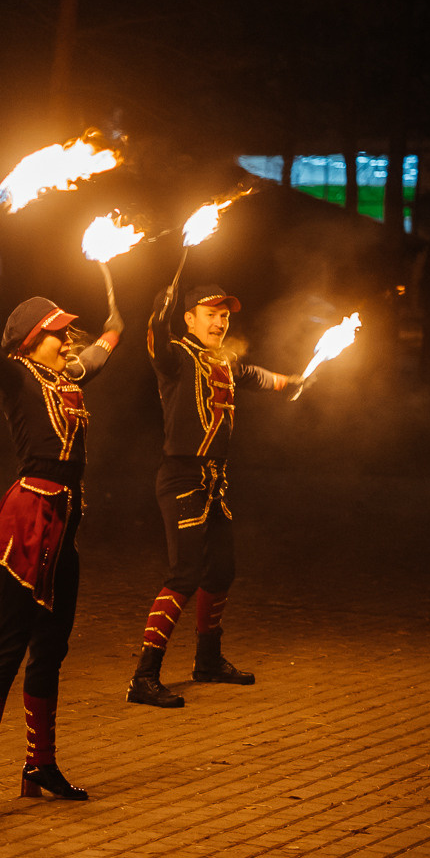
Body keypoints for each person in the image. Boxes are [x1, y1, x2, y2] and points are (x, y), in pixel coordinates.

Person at [0, 279, 124, 828]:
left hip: (65, 526)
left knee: (52, 649)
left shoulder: (68, 376)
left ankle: (39, 767)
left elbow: (107, 342)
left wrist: (121, 310)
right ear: (29, 342)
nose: (69, 340)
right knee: (4, 651)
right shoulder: (16, 376)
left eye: (68, 331)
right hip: (27, 523)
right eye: (56, 334)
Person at [126, 284, 300, 709]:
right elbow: (152, 338)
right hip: (182, 477)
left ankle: (207, 662)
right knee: (184, 574)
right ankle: (143, 677)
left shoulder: (223, 359)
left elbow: (253, 376)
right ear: (189, 318)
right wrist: (158, 306)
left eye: (225, 316)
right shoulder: (174, 355)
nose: (220, 322)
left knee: (221, 570)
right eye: (211, 314)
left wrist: (290, 382)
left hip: (215, 480)